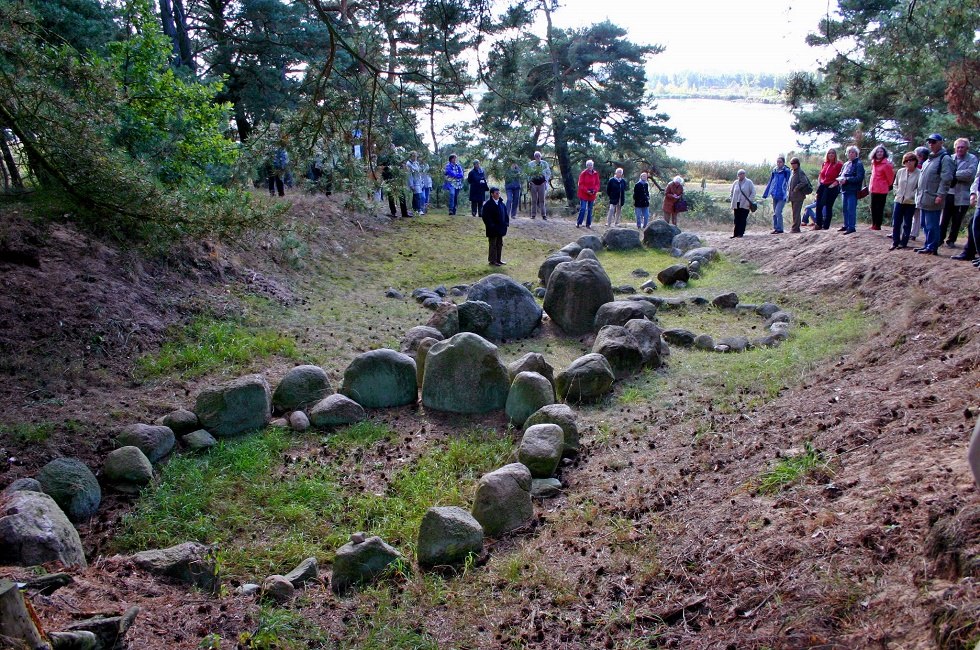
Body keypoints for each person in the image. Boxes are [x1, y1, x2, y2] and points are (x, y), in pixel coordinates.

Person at [914, 134, 956, 255]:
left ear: (941, 143)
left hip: (934, 197)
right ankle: (928, 245)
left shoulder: (945, 159)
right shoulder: (929, 159)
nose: (931, 144)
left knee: (932, 224)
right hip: (923, 197)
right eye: (929, 142)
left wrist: (940, 195)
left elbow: (946, 179)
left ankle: (932, 247)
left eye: (934, 141)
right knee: (924, 224)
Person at [942, 138, 979, 249]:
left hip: (963, 195)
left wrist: (952, 175)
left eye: (962, 147)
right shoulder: (949, 158)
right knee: (944, 218)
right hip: (948, 193)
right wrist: (953, 175)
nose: (960, 149)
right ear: (955, 148)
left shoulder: (972, 159)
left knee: (957, 220)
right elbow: (944, 174)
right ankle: (939, 238)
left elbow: (970, 174)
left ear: (967, 148)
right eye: (958, 147)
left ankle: (951, 240)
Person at [889, 151, 920, 250]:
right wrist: (897, 192)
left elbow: (919, 188)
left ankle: (904, 242)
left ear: (915, 161)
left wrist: (912, 195)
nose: (909, 162)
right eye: (906, 161)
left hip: (910, 202)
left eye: (911, 160)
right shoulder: (900, 171)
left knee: (907, 223)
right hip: (898, 200)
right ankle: (895, 242)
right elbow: (895, 184)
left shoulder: (919, 173)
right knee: (896, 222)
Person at [837, 145, 865, 234]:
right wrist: (840, 179)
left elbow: (859, 177)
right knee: (845, 209)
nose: (851, 154)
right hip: (844, 189)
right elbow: (841, 174)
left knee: (851, 209)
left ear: (856, 154)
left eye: (853, 152)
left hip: (853, 190)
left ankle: (851, 227)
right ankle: (846, 225)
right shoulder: (845, 164)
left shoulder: (859, 164)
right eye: (849, 152)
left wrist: (847, 180)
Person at [814, 148, 843, 230]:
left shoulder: (839, 164)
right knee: (818, 205)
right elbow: (821, 174)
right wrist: (819, 182)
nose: (831, 154)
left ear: (835, 155)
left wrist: (835, 183)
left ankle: (826, 226)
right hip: (823, 186)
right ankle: (818, 224)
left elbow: (841, 176)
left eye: (833, 153)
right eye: (829, 153)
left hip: (832, 187)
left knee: (828, 206)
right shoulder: (824, 163)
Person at [868, 145, 895, 230]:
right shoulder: (873, 162)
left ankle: (878, 225)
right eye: (878, 152)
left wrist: (886, 185)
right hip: (873, 188)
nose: (879, 153)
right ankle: (873, 224)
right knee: (873, 207)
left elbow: (890, 178)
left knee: (879, 208)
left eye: (881, 152)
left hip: (882, 189)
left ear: (884, 153)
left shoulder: (886, 164)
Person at [762, 156, 791, 233]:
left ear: (783, 163)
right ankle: (776, 228)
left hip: (782, 195)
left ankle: (780, 229)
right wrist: (767, 193)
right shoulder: (774, 171)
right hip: (775, 195)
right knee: (775, 213)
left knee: (778, 212)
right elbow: (771, 182)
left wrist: (788, 194)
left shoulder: (786, 171)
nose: (778, 163)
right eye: (777, 162)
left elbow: (789, 183)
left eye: (780, 162)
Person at [481, 187, 509, 266]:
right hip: (492, 229)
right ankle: (492, 260)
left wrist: (506, 223)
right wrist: (491, 225)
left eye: (499, 193)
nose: (498, 195)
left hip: (500, 228)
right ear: (492, 194)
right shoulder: (488, 205)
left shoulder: (501, 203)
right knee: (493, 244)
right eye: (496, 193)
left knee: (499, 244)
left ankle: (498, 259)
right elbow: (485, 216)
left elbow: (505, 214)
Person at [909, 146, 930, 240]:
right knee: (915, 215)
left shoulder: (921, 166)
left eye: (915, 154)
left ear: (920, 156)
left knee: (916, 214)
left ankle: (913, 233)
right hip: (913, 193)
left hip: (918, 193)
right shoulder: (914, 165)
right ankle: (911, 233)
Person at [786, 157, 812, 233]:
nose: (793, 165)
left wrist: (796, 188)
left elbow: (804, 182)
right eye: (791, 163)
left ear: (798, 164)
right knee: (794, 212)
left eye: (794, 163)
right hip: (793, 195)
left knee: (796, 212)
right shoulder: (792, 171)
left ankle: (795, 228)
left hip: (799, 195)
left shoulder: (800, 172)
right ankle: (795, 227)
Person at [729, 169, 755, 238]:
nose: (741, 175)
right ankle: (735, 234)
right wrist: (732, 200)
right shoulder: (735, 182)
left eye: (743, 173)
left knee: (743, 219)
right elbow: (731, 192)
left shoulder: (749, 182)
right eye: (740, 174)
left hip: (745, 204)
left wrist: (749, 201)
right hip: (736, 203)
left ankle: (741, 233)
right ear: (738, 175)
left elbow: (753, 192)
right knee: (736, 219)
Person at [526, 151, 552, 220]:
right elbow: (527, 173)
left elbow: (548, 172)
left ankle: (544, 215)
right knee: (534, 200)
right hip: (533, 184)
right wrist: (530, 181)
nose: (537, 157)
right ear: (534, 157)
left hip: (542, 184)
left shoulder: (544, 163)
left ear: (540, 156)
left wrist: (545, 180)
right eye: (536, 156)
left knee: (542, 200)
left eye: (539, 156)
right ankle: (533, 214)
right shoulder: (530, 164)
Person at [576, 160, 600, 228]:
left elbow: (597, 184)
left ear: (593, 166)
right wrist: (587, 191)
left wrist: (594, 190)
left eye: (591, 165)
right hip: (583, 193)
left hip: (592, 194)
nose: (590, 166)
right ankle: (579, 222)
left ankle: (588, 224)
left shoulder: (595, 173)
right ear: (587, 166)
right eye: (589, 165)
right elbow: (580, 184)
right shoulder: (583, 173)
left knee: (590, 209)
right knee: (583, 208)